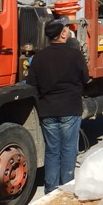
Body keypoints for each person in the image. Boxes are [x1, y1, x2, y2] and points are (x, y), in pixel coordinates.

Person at [26, 16, 89, 194]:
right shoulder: (75, 55)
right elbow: (85, 78)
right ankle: (67, 188)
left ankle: (51, 190)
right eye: (67, 29)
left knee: (52, 151)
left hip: (47, 110)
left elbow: (32, 85)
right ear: (62, 34)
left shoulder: (38, 58)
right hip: (70, 108)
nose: (69, 30)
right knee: (69, 149)